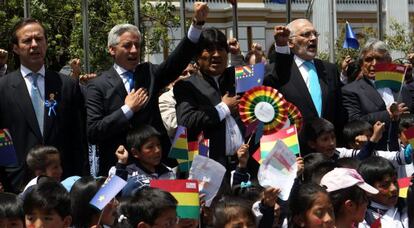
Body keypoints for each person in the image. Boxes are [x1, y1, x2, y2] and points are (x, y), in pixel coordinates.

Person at [86, 2, 209, 176]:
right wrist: (127, 109)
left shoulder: (149, 73)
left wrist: (196, 24)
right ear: (112, 50)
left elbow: (176, 62)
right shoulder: (97, 86)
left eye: (137, 45)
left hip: (157, 168)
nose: (134, 50)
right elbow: (94, 131)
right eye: (127, 45)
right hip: (120, 169)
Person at [0, 18, 85, 192]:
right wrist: (8, 174)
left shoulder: (66, 85)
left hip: (63, 182)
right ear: (15, 48)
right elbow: (2, 135)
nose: (34, 45)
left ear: (46, 43)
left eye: (39, 39)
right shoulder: (3, 88)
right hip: (19, 183)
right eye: (27, 40)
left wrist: (79, 180)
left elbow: (78, 137)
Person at [174, 27, 245, 171]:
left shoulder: (238, 76)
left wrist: (281, 47)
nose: (217, 55)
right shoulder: (186, 85)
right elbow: (187, 121)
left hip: (244, 163)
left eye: (221, 49)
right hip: (207, 169)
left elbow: (273, 76)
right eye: (209, 49)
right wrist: (223, 108)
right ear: (197, 56)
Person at [264, 19, 345, 138]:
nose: (313, 38)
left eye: (315, 34)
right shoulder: (279, 71)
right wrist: (281, 47)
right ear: (290, 42)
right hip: (294, 147)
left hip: (327, 147)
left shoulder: (329, 69)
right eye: (306, 34)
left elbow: (339, 110)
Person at [342, 39, 412, 151]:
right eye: (369, 59)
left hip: (406, 154)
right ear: (361, 64)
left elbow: (411, 118)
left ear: (388, 61)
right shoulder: (351, 90)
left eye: (379, 59)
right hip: (375, 154)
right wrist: (388, 114)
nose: (374, 64)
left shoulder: (400, 87)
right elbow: (355, 122)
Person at [113, 125, 175, 196]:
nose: (157, 150)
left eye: (158, 145)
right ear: (135, 152)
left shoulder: (169, 172)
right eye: (150, 147)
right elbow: (108, 198)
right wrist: (121, 163)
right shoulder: (125, 173)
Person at [358, 157, 408, 227]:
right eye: (384, 185)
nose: (394, 188)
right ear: (368, 190)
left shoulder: (406, 206)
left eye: (395, 181)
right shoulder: (364, 220)